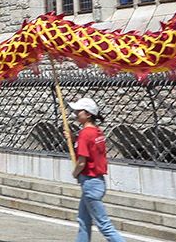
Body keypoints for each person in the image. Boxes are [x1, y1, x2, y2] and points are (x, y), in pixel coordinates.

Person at [68, 97, 125, 242]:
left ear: (87, 114)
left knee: (104, 225)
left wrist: (75, 174)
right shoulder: (96, 132)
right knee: (83, 220)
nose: (75, 113)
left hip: (90, 182)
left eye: (78, 111)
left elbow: (82, 161)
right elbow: (92, 148)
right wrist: (75, 139)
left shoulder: (85, 134)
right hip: (97, 181)